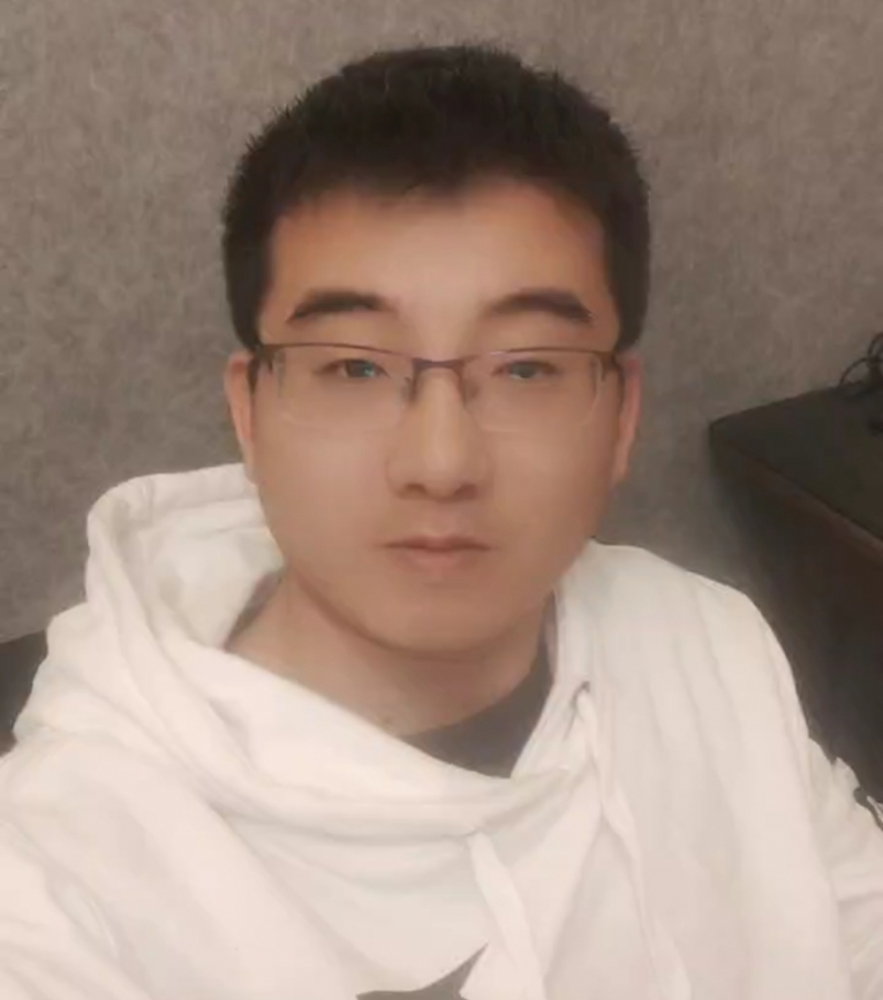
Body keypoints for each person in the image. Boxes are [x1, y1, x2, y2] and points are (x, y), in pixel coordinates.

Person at [1, 43, 882, 1000]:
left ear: (621, 415)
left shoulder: (707, 645)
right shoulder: (61, 882)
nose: (440, 462)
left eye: (526, 367)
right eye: (354, 367)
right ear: (248, 412)